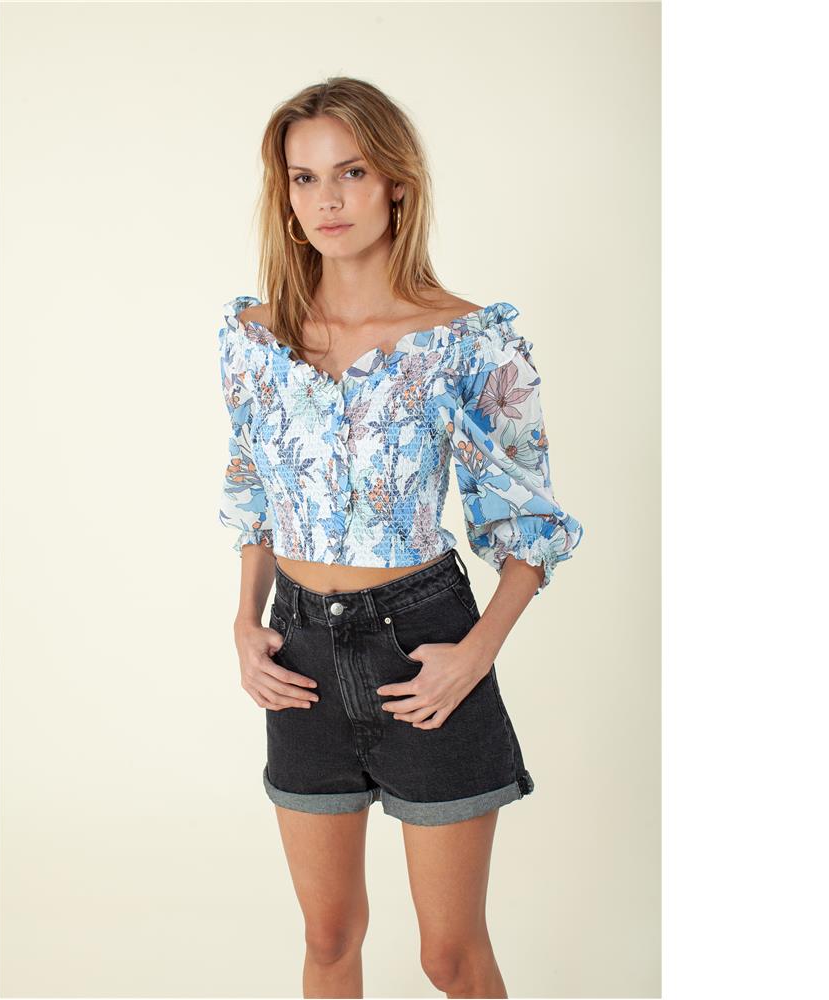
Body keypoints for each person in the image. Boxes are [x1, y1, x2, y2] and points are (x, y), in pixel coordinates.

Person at [217, 77, 584, 999]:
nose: (327, 199)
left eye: (351, 172)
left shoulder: (467, 341)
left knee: (448, 958)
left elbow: (529, 528)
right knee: (328, 938)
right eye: (304, 178)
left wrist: (474, 655)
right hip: (298, 652)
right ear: (285, 196)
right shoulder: (256, 340)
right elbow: (254, 492)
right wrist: (244, 621)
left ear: (395, 184)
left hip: (421, 642)